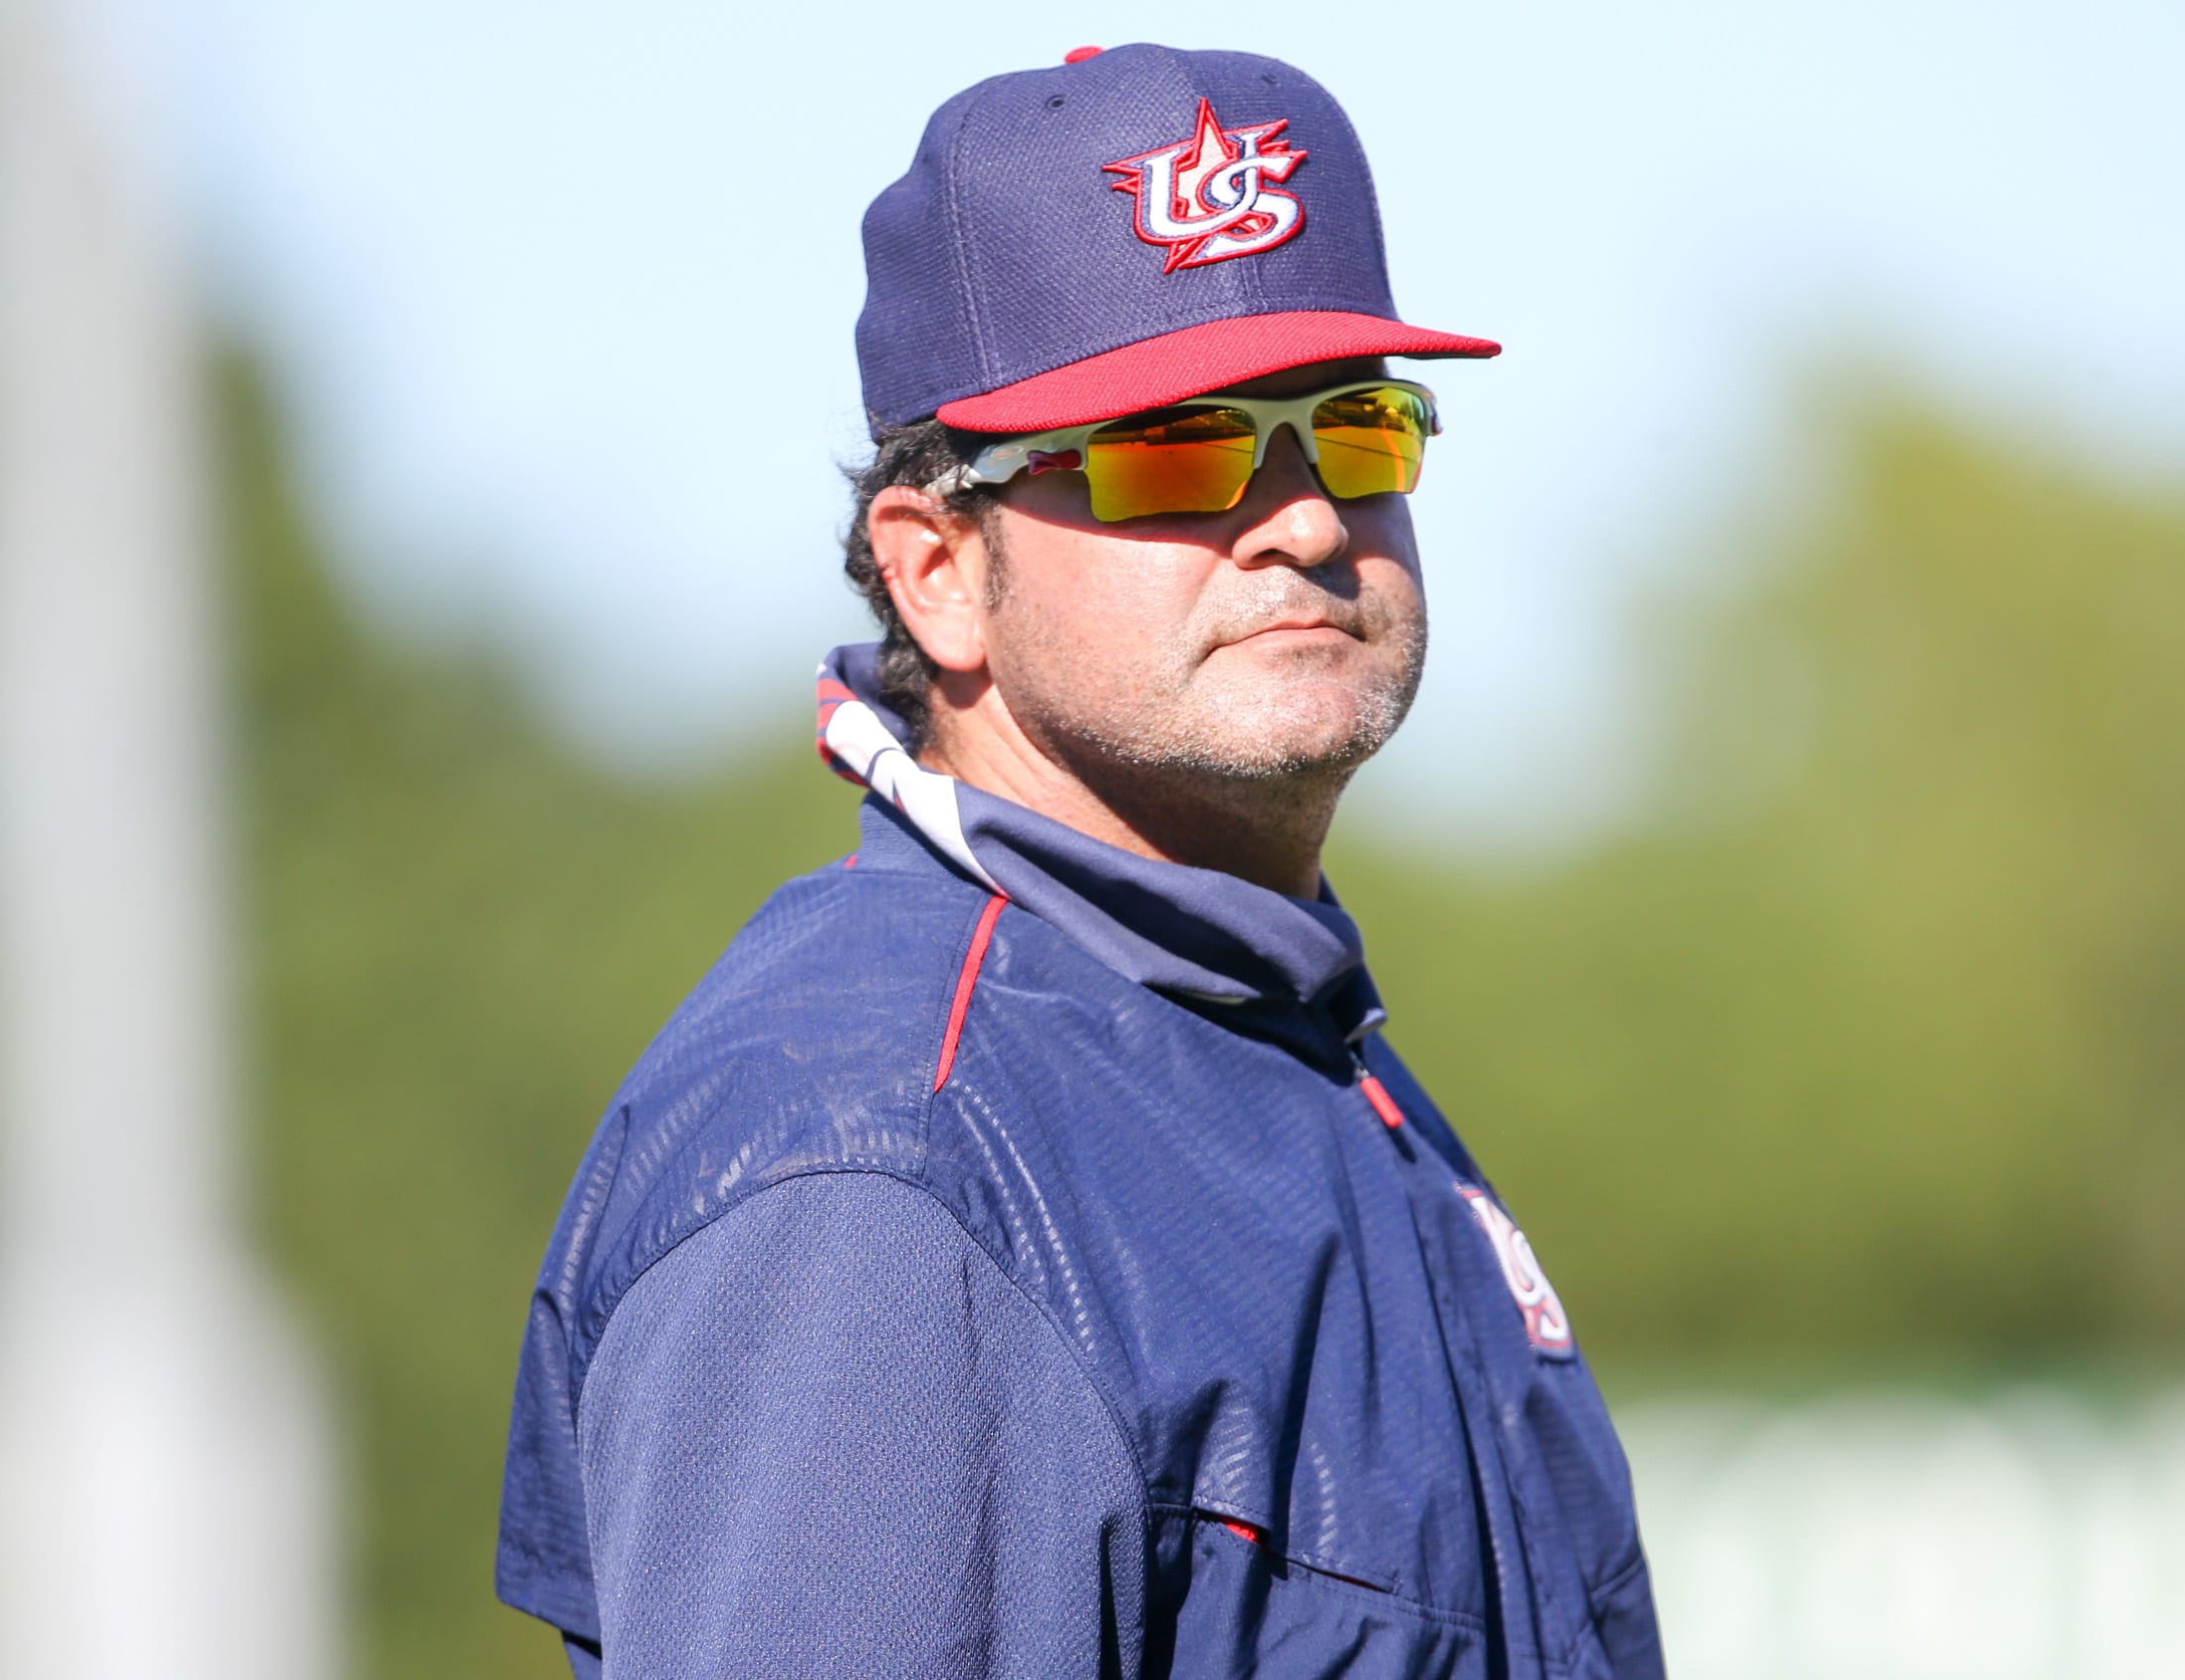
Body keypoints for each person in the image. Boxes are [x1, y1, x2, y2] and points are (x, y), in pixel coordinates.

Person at [496, 43, 1660, 1679]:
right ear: (938, 574)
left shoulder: (1277, 1044)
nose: (1309, 520)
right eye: (1178, 453)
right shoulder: (891, 1164)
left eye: (1358, 430)